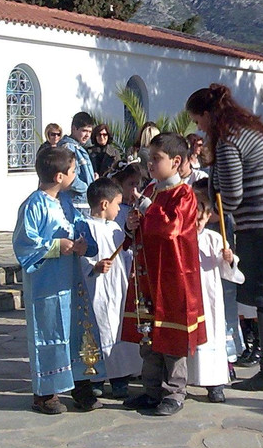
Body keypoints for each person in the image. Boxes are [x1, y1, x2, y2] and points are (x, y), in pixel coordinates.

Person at [187, 83, 263, 390]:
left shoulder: (229, 141)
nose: (198, 128)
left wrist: (210, 179)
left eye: (197, 120)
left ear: (207, 114)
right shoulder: (254, 128)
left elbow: (230, 199)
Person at [12, 145, 101, 415]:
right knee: (49, 333)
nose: (76, 175)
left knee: (77, 331)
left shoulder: (65, 203)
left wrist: (84, 244)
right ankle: (45, 392)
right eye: (73, 171)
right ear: (60, 176)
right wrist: (55, 246)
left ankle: (81, 384)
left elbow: (79, 229)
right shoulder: (33, 205)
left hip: (71, 282)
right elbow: (24, 244)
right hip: (47, 286)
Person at [120, 133, 205, 416]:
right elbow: (141, 229)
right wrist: (131, 226)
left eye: (157, 159)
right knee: (149, 335)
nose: (151, 164)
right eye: (150, 159)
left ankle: (174, 392)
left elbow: (171, 230)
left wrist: (146, 211)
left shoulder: (184, 195)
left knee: (172, 336)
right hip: (147, 274)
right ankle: (151, 389)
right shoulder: (150, 191)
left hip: (173, 277)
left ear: (176, 161)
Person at [79, 177, 141, 400]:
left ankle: (120, 379)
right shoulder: (85, 228)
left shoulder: (115, 228)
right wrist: (94, 266)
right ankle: (96, 377)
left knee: (118, 329)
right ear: (105, 204)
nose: (119, 209)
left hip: (118, 289)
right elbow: (80, 258)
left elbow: (125, 253)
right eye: (117, 204)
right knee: (99, 329)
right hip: (96, 288)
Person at [188, 188, 245, 404]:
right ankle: (188, 377)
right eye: (195, 219)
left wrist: (228, 258)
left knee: (212, 334)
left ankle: (214, 383)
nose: (199, 224)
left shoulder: (213, 238)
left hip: (209, 294)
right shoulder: (181, 238)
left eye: (202, 219)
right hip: (190, 295)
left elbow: (228, 270)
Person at [59, 112, 97, 216]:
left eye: (89, 131)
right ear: (74, 128)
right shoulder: (68, 148)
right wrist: (87, 188)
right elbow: (69, 177)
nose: (87, 135)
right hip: (76, 204)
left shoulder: (78, 148)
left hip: (83, 204)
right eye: (84, 130)